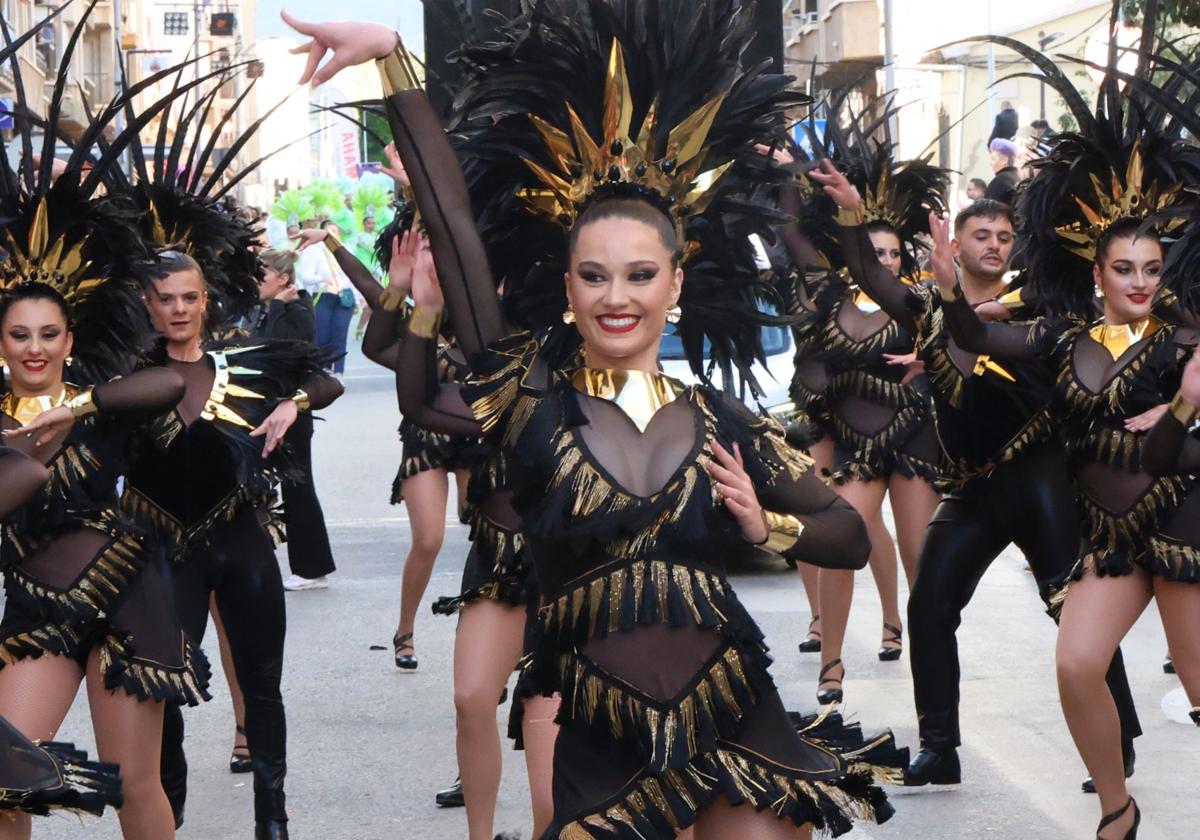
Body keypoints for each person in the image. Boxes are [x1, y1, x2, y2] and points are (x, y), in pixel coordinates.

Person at [283, 5, 907, 837]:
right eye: (595, 276)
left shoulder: (719, 419)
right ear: (569, 289)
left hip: (729, 709)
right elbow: (458, 225)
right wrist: (395, 65)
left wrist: (770, 524)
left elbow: (850, 537)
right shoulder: (534, 400)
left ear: (674, 286)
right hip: (602, 729)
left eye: (640, 275)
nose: (618, 297)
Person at [804, 163, 1143, 793]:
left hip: (1040, 480)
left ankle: (1116, 740)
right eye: (979, 234)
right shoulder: (928, 304)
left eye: (1003, 235)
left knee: (1077, 614)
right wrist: (851, 209)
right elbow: (872, 277)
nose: (993, 243)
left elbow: (986, 331)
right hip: (972, 487)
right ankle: (940, 747)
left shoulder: (1042, 307)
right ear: (954, 245)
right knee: (929, 603)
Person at [126, 248, 343, 840]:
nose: (178, 309)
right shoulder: (126, 375)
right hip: (165, 556)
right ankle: (170, 812)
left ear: (205, 300)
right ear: (147, 303)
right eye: (165, 298)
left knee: (262, 685)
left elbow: (328, 381)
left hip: (243, 546)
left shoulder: (245, 362)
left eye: (188, 297)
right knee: (164, 690)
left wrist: (289, 406)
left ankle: (272, 814)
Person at [776, 120, 948, 705]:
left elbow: (961, 339)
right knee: (840, 535)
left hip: (912, 433)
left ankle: (925, 663)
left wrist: (932, 358)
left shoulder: (915, 304)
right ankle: (831, 663)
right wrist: (785, 171)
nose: (885, 260)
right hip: (850, 436)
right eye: (875, 252)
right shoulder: (830, 295)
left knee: (922, 554)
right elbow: (793, 232)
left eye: (894, 253)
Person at [255, 248, 337, 591]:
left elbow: (274, 349)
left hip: (292, 411)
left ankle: (311, 568)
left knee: (298, 487)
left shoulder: (298, 309)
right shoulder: (275, 307)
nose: (255, 282)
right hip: (268, 409)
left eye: (263, 276)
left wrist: (276, 307)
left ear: (283, 279)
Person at [310, 221, 360, 375]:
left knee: (340, 335)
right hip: (324, 295)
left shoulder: (346, 250)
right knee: (323, 335)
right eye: (328, 231)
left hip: (344, 296)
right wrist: (322, 278)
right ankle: (324, 369)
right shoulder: (315, 251)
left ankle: (339, 372)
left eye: (335, 230)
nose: (332, 233)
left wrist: (357, 299)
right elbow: (306, 276)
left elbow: (353, 277)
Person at [984, 138, 1020, 205]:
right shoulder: (1017, 178)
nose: (990, 163)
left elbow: (988, 211)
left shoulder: (1000, 181)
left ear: (1004, 160)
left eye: (993, 159)